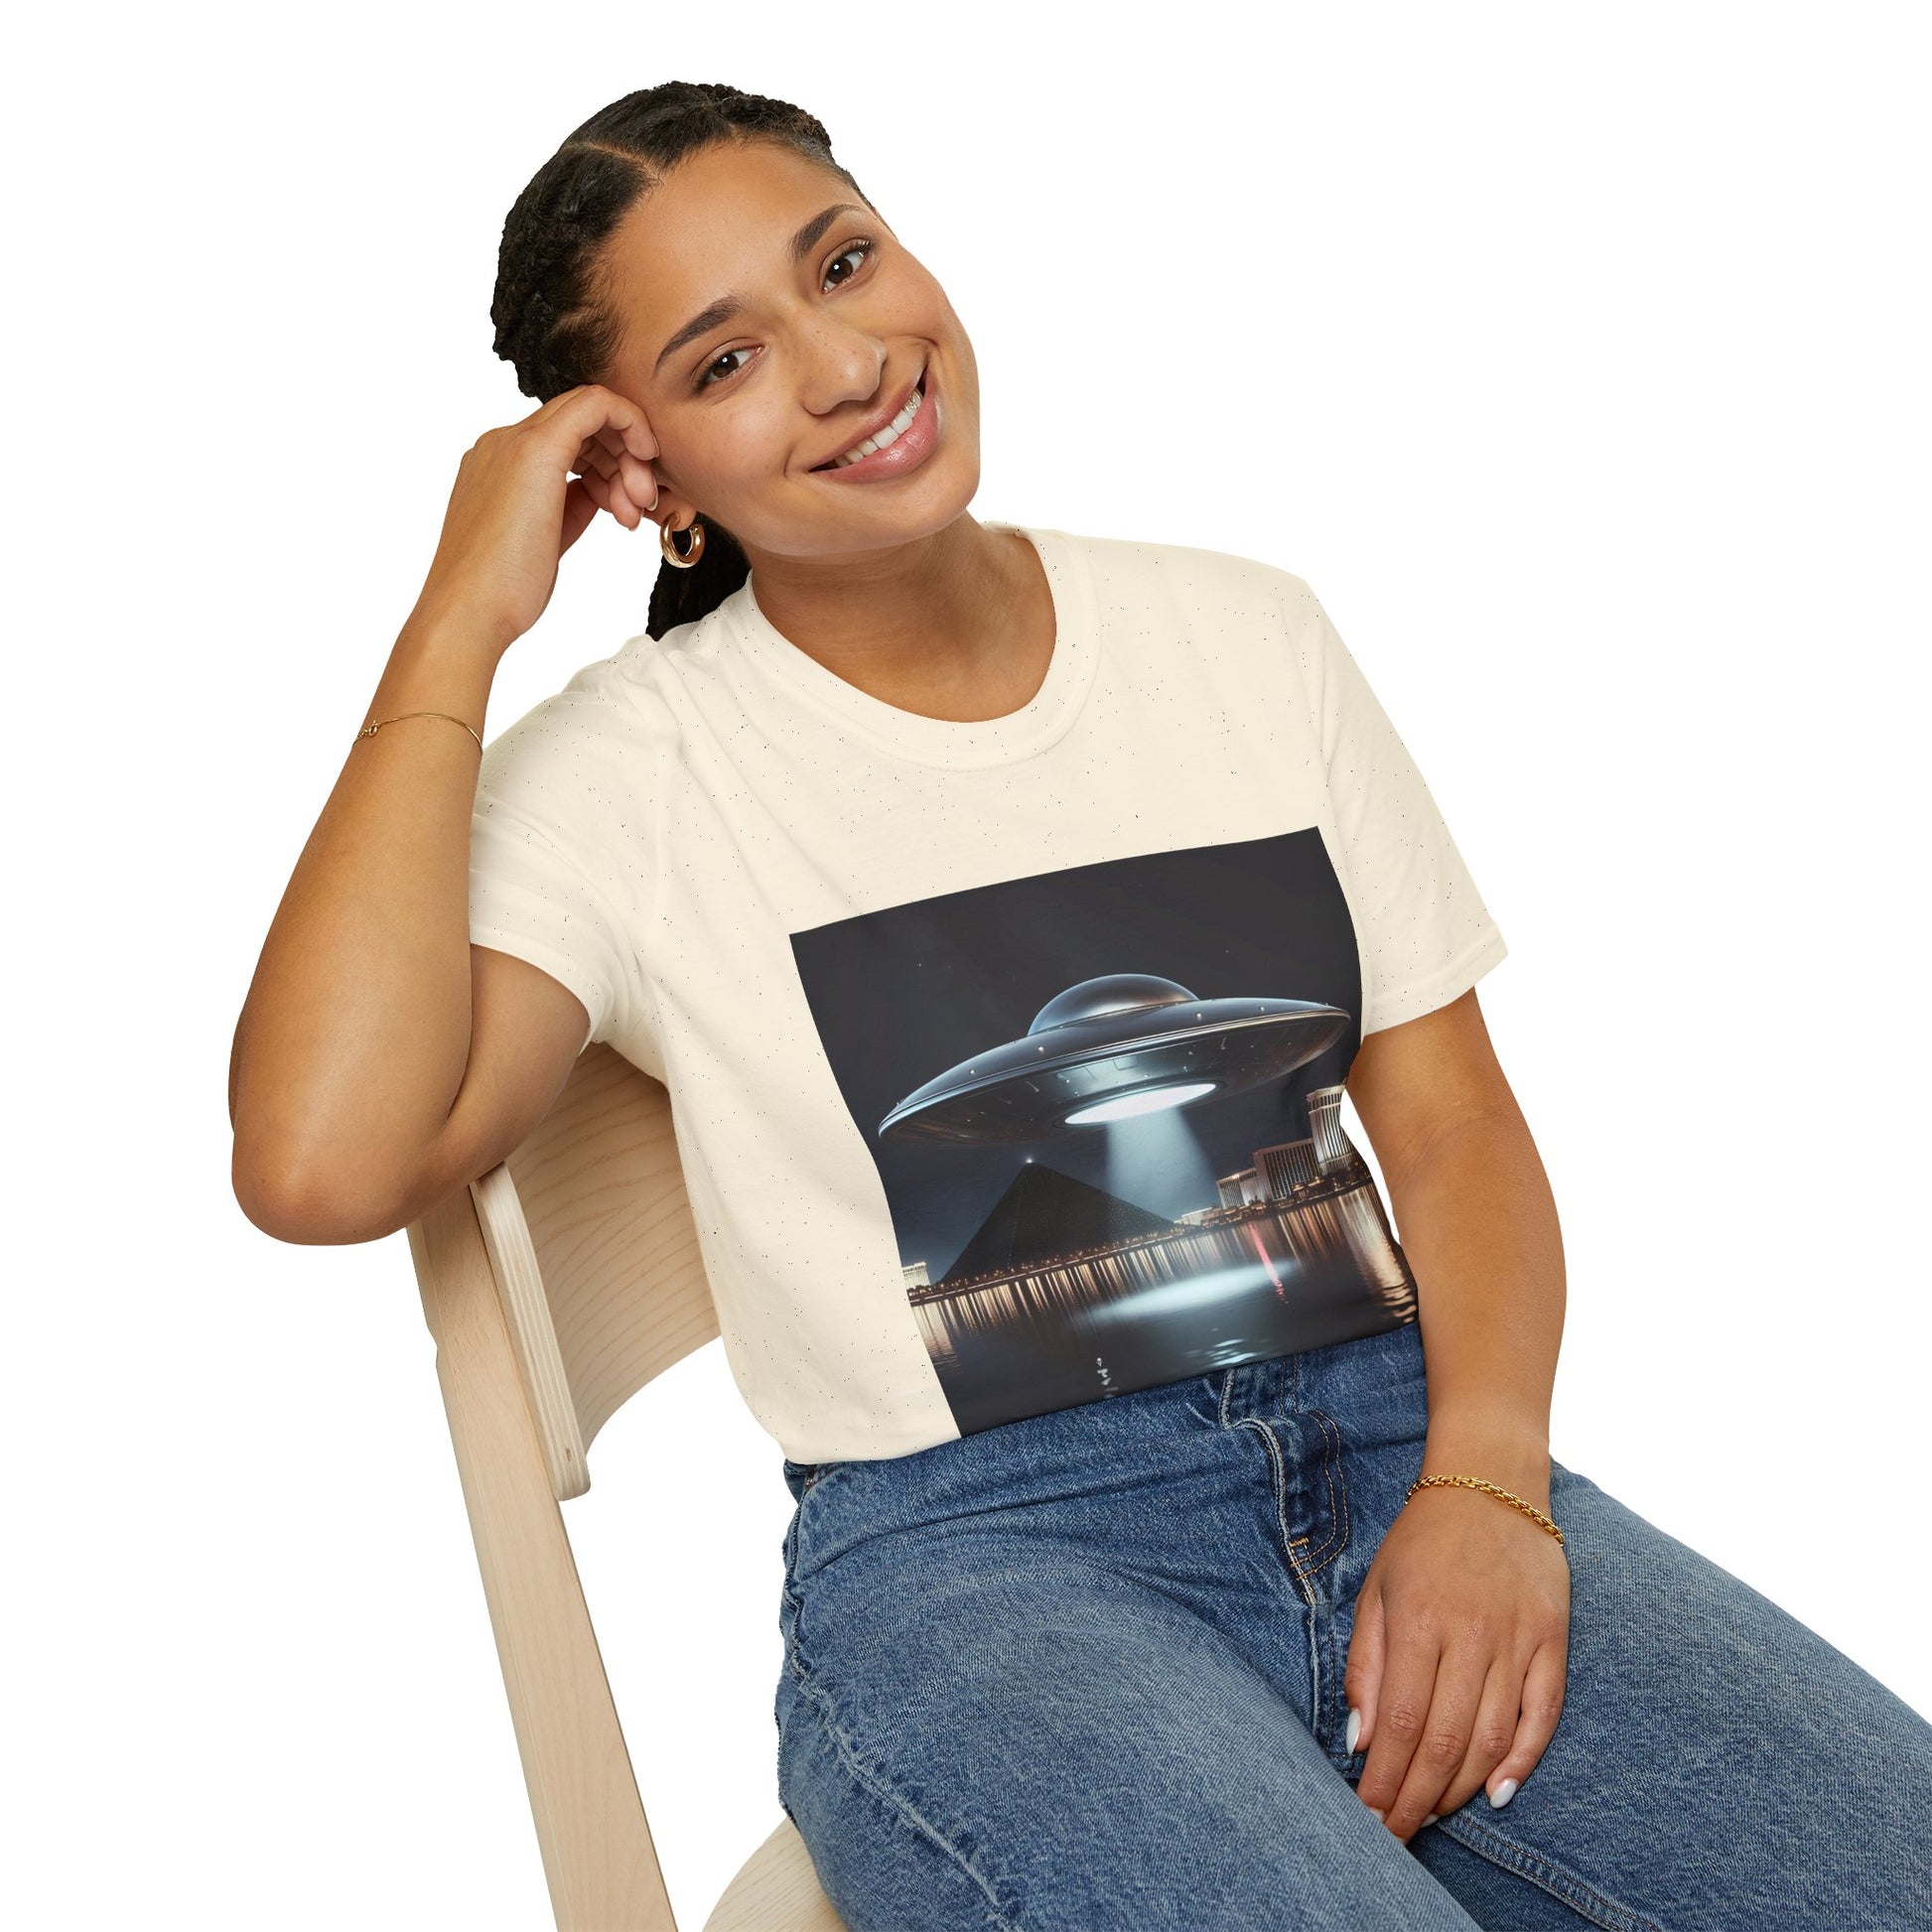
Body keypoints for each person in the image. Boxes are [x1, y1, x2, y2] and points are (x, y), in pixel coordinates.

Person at [228, 80, 1932, 1931]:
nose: (846, 365)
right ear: (650, 480)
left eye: (843, 264)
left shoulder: (1244, 637)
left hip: (1403, 1444)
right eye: (726, 361)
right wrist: (457, 618)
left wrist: (1489, 1485)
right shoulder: (635, 773)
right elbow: (320, 1160)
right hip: (985, 1568)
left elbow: (1451, 1128)